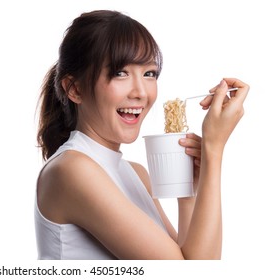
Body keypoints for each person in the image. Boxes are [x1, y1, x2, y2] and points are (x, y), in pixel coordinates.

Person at [34, 10, 249, 260]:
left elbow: (194, 261)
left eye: (149, 74)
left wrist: (191, 189)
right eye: (120, 73)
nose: (140, 93)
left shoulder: (137, 175)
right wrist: (214, 148)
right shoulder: (72, 170)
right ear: (75, 89)